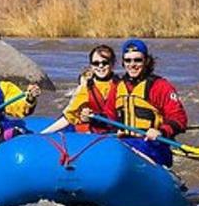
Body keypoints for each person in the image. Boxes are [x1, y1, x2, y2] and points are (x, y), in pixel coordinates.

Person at [44, 39, 187, 167]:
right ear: (123, 63)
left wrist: (161, 131)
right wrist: (92, 117)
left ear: (146, 61)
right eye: (128, 61)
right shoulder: (119, 86)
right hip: (124, 143)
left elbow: (179, 118)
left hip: (152, 146)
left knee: (121, 151)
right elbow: (109, 117)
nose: (132, 65)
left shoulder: (160, 86)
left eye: (137, 60)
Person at [42, 44, 119, 136]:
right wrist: (43, 134)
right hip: (96, 135)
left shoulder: (121, 85)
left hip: (118, 133)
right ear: (91, 66)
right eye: (96, 63)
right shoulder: (86, 88)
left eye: (105, 62)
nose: (100, 66)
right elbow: (69, 116)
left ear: (112, 64)